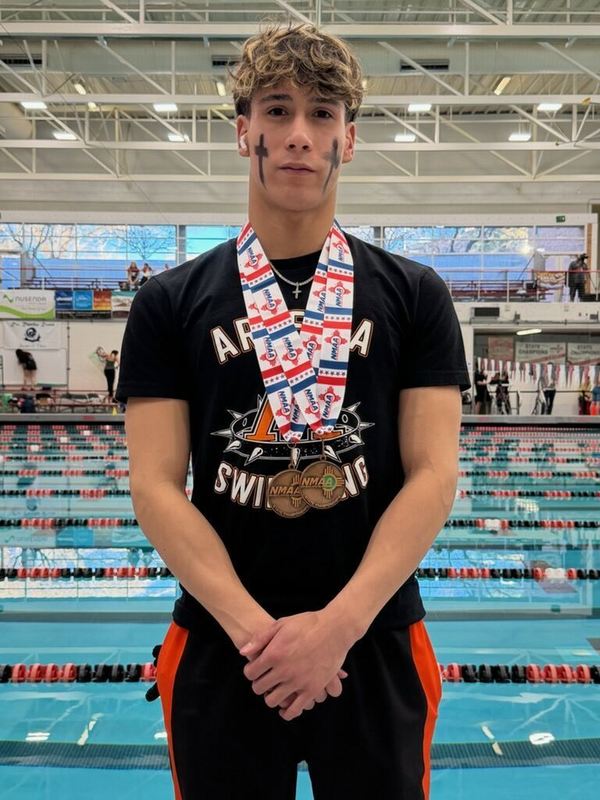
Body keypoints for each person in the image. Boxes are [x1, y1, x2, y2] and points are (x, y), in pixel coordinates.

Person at [116, 23, 470, 800]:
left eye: (321, 113)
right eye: (277, 111)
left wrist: (334, 629)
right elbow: (154, 487)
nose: (299, 135)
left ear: (350, 135)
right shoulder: (167, 302)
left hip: (372, 639)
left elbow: (435, 474)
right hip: (223, 643)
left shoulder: (416, 295)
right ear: (243, 131)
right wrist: (261, 637)